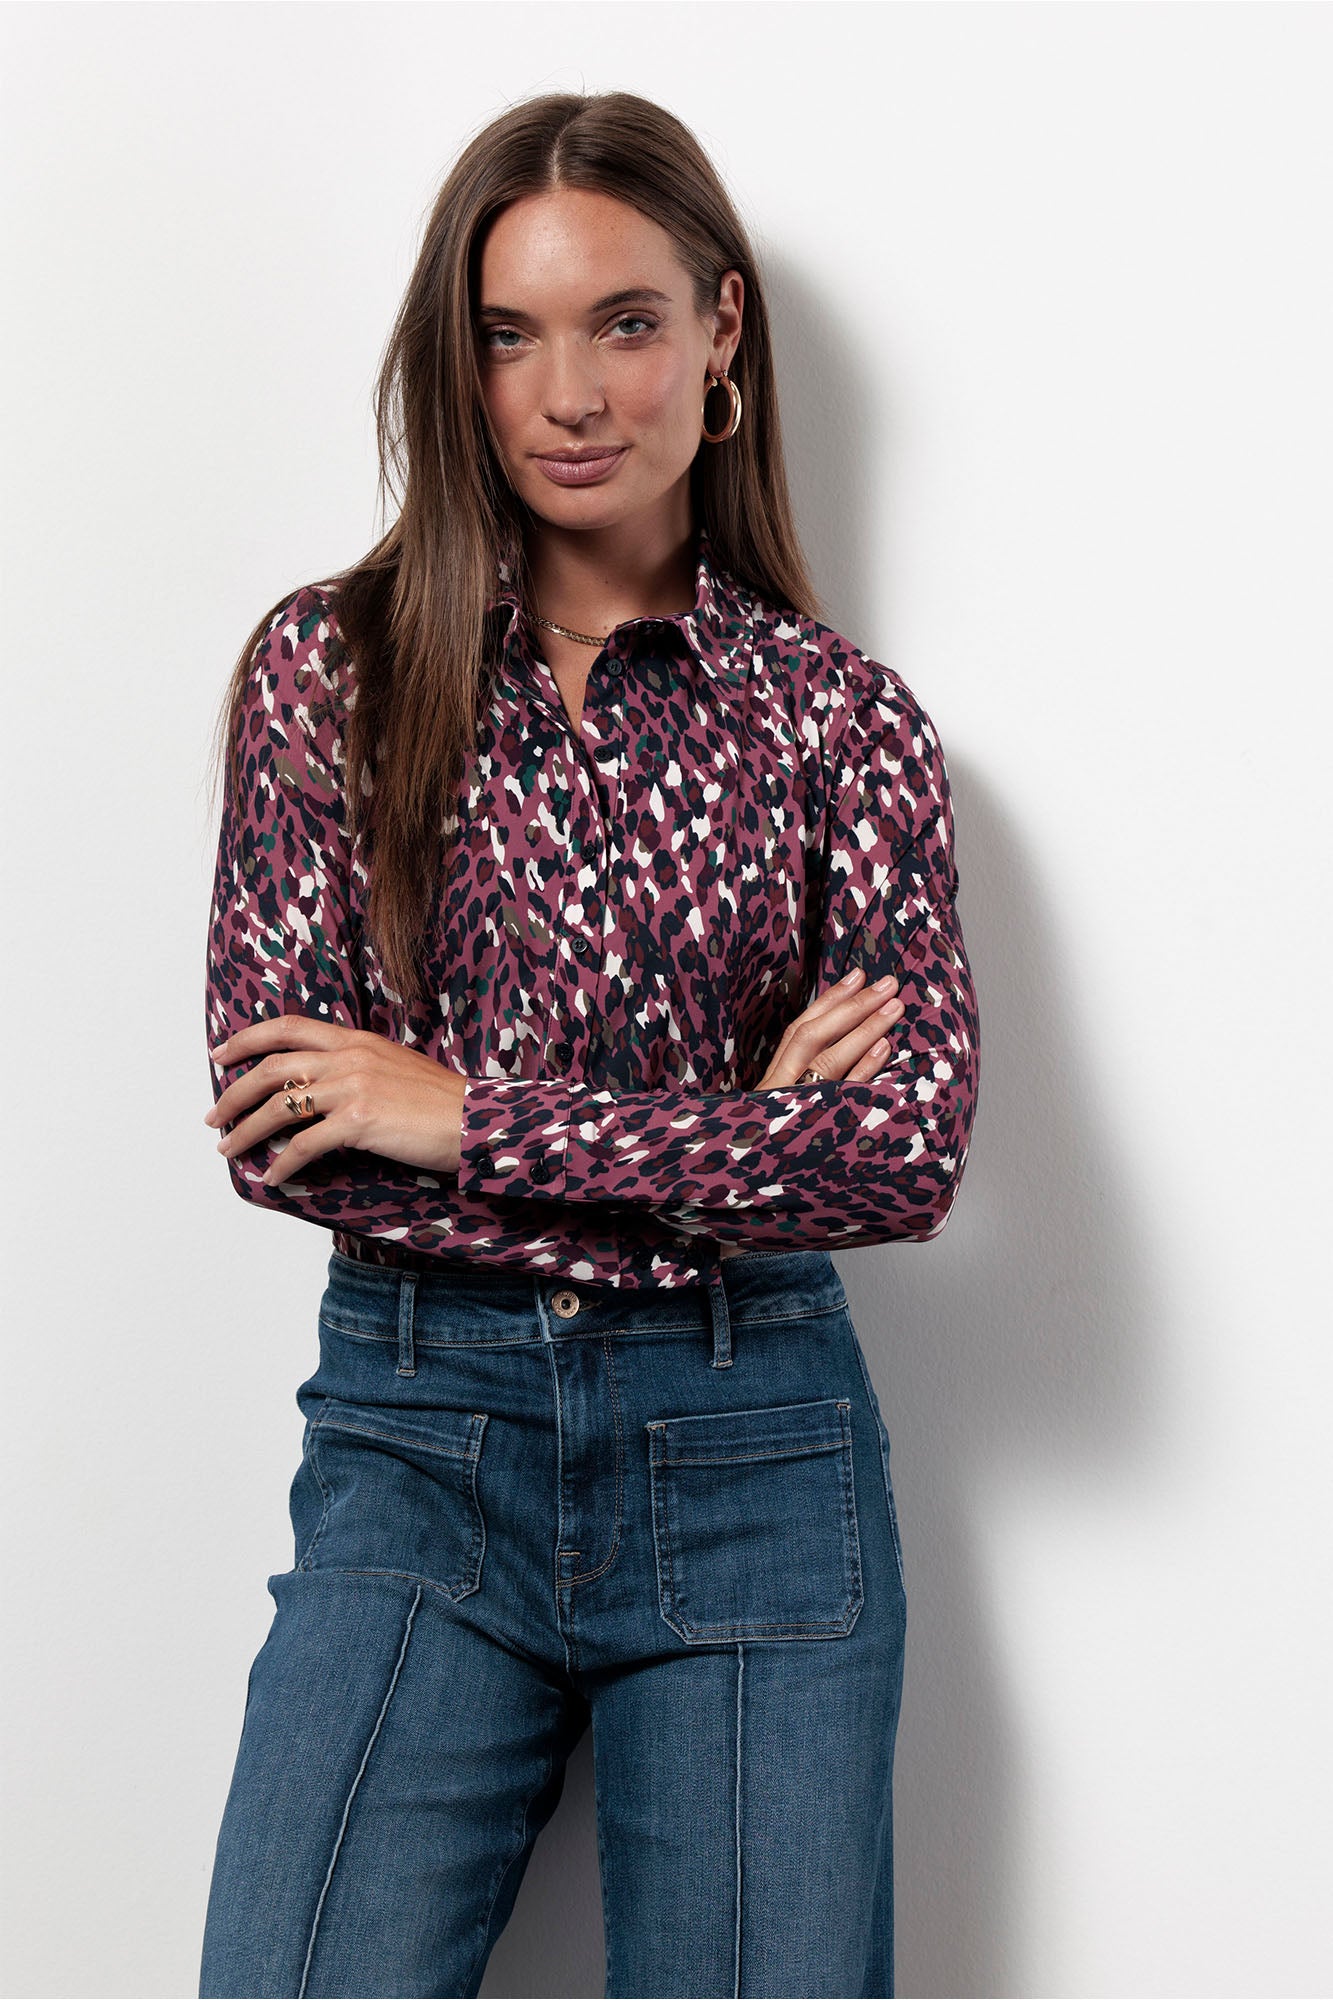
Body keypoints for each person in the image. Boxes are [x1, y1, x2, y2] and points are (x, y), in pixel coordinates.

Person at [197, 88, 980, 2000]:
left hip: (753, 1446)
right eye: (507, 334)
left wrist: (457, 1114)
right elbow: (287, 1133)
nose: (566, 394)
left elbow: (899, 1159)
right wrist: (731, 1143)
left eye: (623, 322)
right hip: (416, 1441)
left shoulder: (838, 724)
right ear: (453, 361)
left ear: (719, 331)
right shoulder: (333, 670)